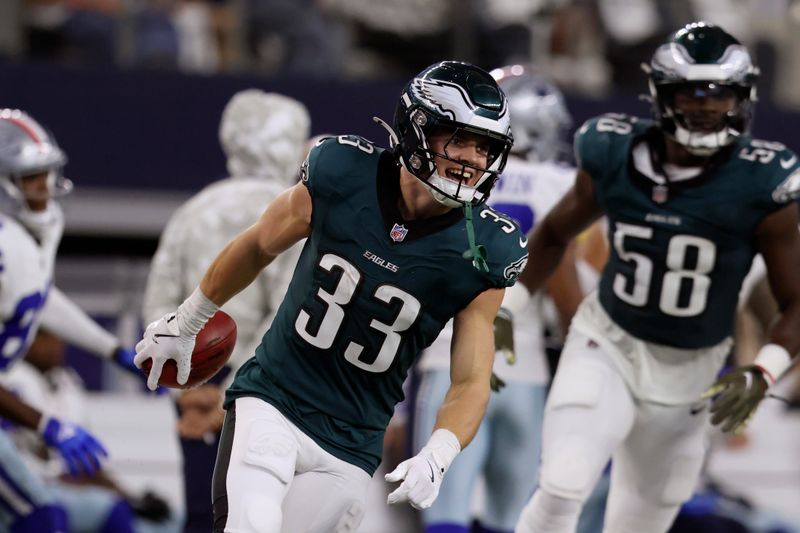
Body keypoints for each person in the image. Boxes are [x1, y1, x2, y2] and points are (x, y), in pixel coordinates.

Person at [133, 60, 528, 533]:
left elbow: (469, 379)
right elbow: (259, 244)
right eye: (458, 138)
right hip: (275, 397)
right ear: (416, 128)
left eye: (485, 147)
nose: (472, 159)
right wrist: (191, 317)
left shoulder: (484, 247)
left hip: (353, 439)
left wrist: (439, 453)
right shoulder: (342, 171)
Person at [506, 21, 800, 533]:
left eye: (722, 94)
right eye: (693, 92)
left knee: (638, 523)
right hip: (609, 343)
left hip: (693, 370)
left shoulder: (763, 181)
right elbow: (553, 235)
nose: (708, 106)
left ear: (744, 97)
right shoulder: (613, 151)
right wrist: (509, 307)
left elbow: (796, 299)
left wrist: (765, 369)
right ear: (662, 95)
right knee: (561, 485)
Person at [412, 64, 583, 533]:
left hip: (448, 362)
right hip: (523, 366)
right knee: (512, 520)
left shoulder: (446, 174)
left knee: (443, 514)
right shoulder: (557, 185)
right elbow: (568, 290)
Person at [141, 88, 311, 533]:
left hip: (195, 379)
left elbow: (158, 307)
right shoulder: (291, 212)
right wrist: (234, 393)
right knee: (263, 514)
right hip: (268, 385)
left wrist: (186, 388)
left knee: (202, 513)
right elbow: (289, 315)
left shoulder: (191, 211)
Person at [0, 108, 150, 531]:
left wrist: (113, 349)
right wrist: (48, 426)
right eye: (30, 178)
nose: (44, 189)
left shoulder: (22, 242)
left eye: (47, 175)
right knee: (39, 515)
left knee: (43, 515)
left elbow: (37, 297)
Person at [0, 329, 179, 533]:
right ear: (27, 340)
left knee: (171, 520)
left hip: (71, 486)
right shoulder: (14, 380)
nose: (55, 347)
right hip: (34, 485)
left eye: (58, 339)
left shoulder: (66, 382)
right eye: (44, 338)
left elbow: (86, 463)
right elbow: (27, 466)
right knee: (108, 512)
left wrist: (130, 497)